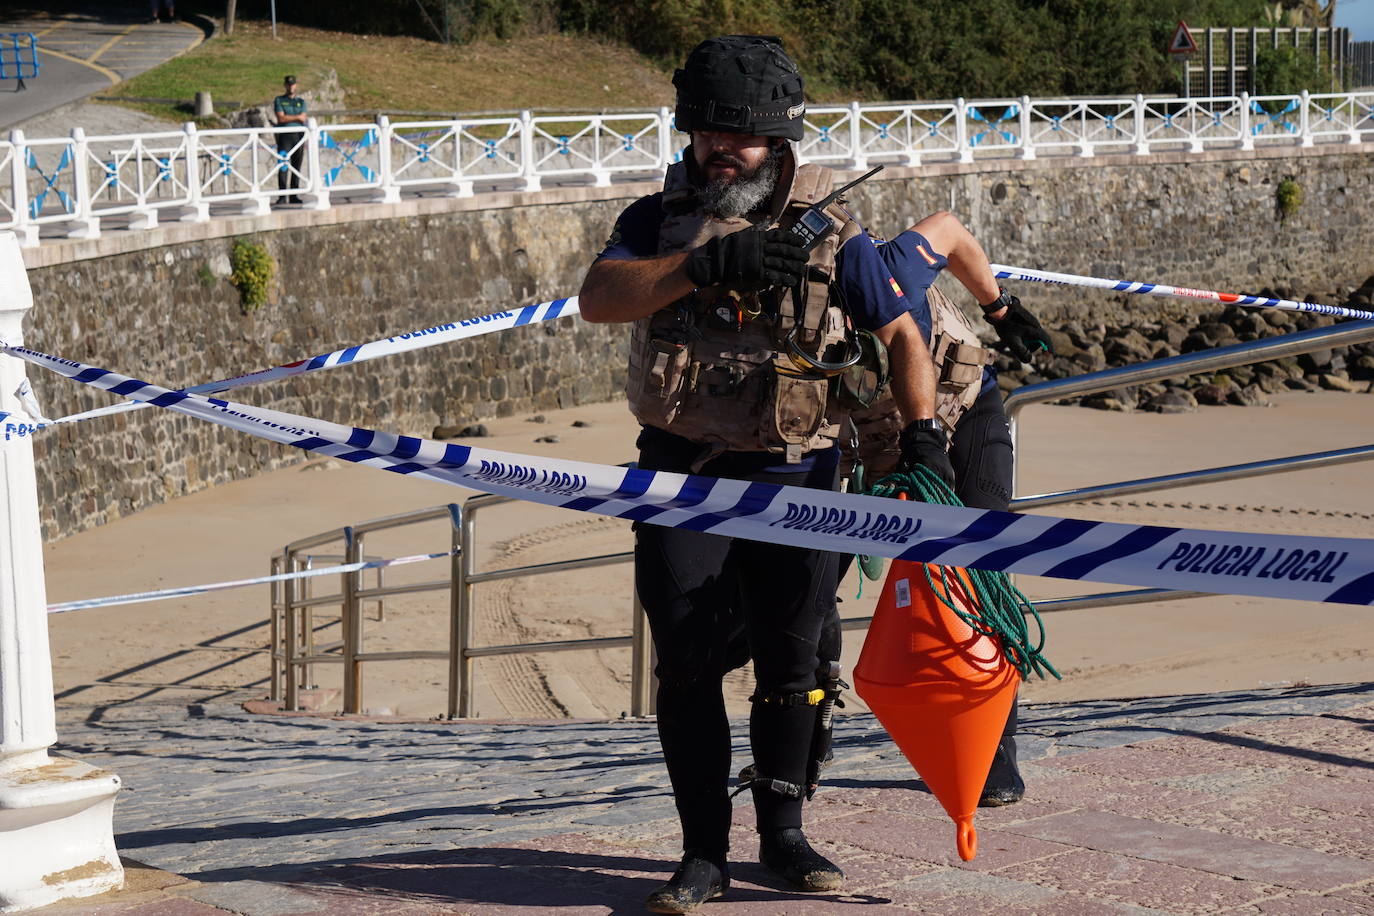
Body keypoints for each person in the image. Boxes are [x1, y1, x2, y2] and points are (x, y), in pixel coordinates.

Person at [577, 35, 954, 915]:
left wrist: (925, 437)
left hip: (802, 475)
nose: (718, 150)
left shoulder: (837, 233)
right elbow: (600, 298)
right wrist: (702, 265)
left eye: (737, 138)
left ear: (780, 143)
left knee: (794, 663)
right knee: (686, 668)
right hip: (680, 476)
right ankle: (702, 854)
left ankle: (784, 837)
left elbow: (904, 336)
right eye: (704, 131)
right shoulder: (656, 219)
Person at [840, 211, 1054, 807]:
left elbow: (952, 231)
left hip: (968, 409)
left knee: (982, 572)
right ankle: (809, 725)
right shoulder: (792, 309)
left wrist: (1001, 309)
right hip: (874, 441)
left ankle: (994, 749)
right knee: (813, 579)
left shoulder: (890, 266)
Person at [272, 75, 308, 204]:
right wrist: (296, 117)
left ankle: (294, 194)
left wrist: (291, 117)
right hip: (285, 135)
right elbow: (281, 118)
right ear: (285, 86)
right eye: (288, 84)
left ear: (295, 85)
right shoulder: (280, 100)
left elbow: (303, 118)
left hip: (298, 135)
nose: (290, 86)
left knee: (296, 165)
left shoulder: (301, 102)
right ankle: (282, 195)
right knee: (283, 165)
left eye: (292, 84)